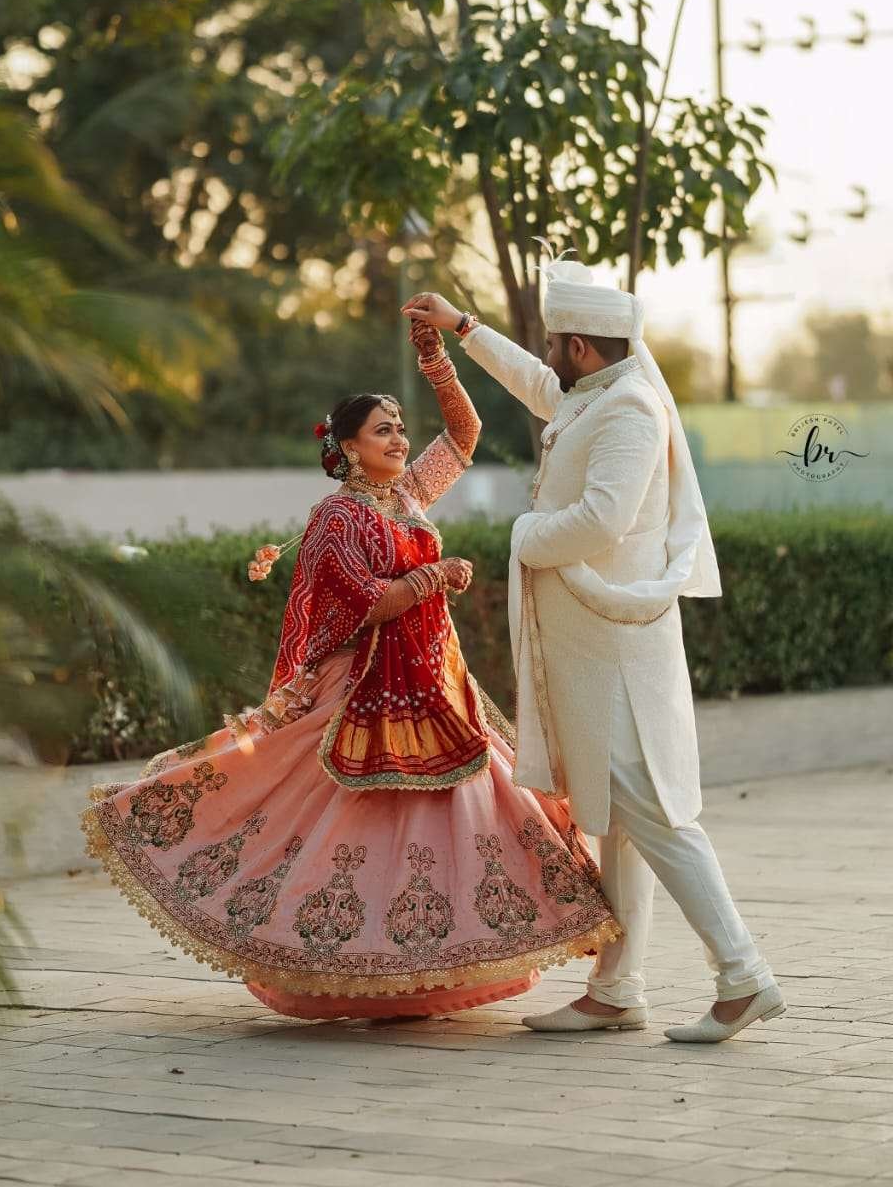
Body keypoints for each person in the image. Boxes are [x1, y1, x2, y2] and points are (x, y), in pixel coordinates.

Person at [80, 316, 621, 1021]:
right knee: (343, 822)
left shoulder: (407, 496)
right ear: (348, 450)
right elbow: (369, 604)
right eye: (382, 431)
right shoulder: (336, 519)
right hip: (362, 688)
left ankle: (424, 968)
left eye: (400, 428)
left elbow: (464, 435)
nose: (399, 439)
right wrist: (437, 575)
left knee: (461, 812)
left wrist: (436, 360)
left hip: (432, 683)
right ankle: (346, 962)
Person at [400, 251, 785, 1043]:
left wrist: (524, 533)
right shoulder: (594, 395)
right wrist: (464, 327)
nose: (548, 356)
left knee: (653, 813)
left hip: (618, 649)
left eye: (554, 343)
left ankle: (743, 975)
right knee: (619, 819)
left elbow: (603, 520)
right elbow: (537, 386)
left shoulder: (629, 411)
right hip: (594, 645)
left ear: (580, 346)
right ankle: (616, 989)